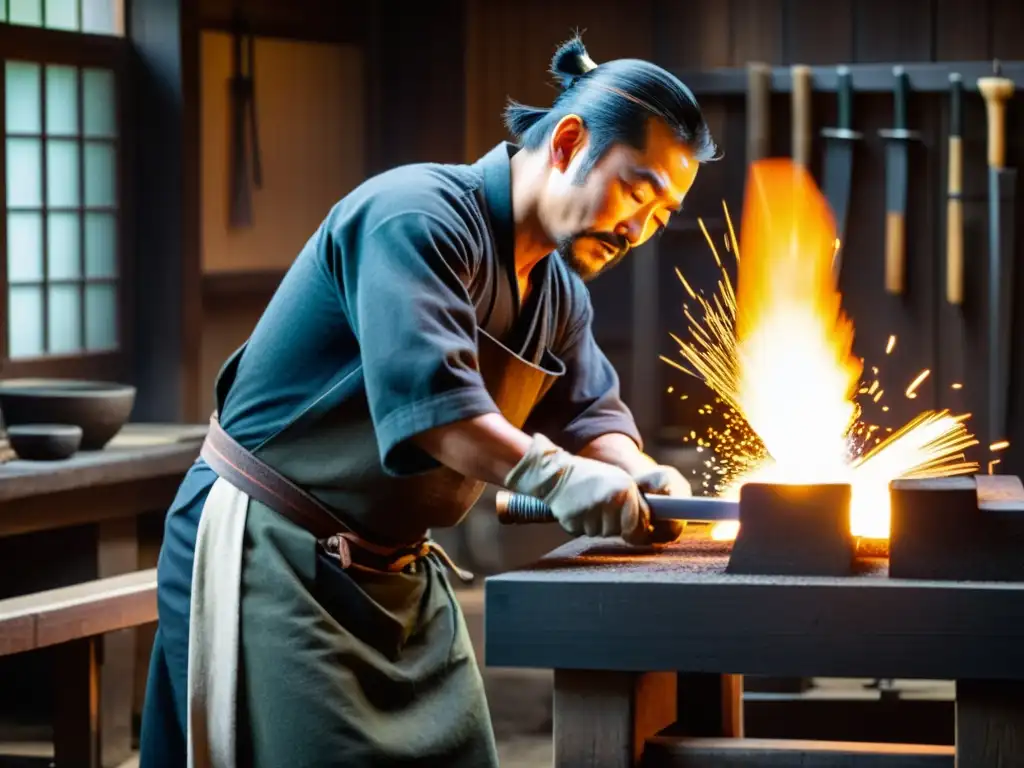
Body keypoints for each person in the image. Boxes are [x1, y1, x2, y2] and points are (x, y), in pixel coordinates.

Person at [139, 34, 717, 768]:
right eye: (638, 191)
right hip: (272, 553)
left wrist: (634, 469)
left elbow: (590, 413)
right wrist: (559, 477)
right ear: (570, 142)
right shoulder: (416, 215)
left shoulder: (558, 291)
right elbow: (438, 409)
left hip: (400, 577)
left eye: (663, 215)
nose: (640, 228)